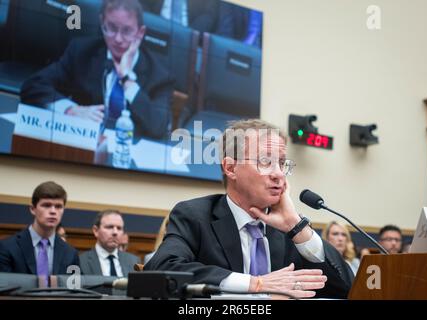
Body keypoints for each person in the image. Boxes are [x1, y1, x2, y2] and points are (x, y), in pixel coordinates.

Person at [147, 119, 353, 299]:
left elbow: (348, 289)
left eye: (282, 163)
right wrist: (255, 285)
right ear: (230, 168)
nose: (279, 174)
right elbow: (160, 271)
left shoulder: (289, 228)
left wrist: (296, 227)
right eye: (265, 161)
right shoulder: (195, 215)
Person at [20, 0, 174, 139]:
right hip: (82, 145)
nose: (118, 39)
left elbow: (159, 126)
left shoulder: (160, 75)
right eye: (111, 28)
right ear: (102, 23)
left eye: (127, 31)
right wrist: (70, 110)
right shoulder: (82, 52)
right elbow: (33, 86)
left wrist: (126, 79)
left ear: (140, 33)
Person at [0, 182, 79, 285]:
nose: (53, 211)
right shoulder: (8, 248)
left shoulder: (70, 253)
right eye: (46, 205)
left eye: (58, 206)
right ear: (33, 209)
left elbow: (76, 291)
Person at [79, 209, 140, 277]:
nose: (115, 232)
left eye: (119, 228)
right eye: (109, 227)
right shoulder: (81, 261)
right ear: (96, 231)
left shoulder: (134, 261)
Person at [144, 0, 219, 33]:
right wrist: (153, 25)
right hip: (155, 28)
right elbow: (143, 4)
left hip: (189, 32)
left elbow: (209, 14)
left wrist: (189, 34)